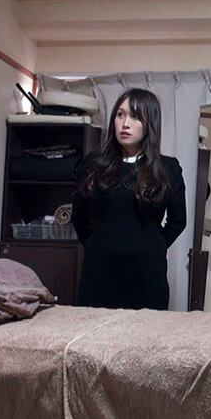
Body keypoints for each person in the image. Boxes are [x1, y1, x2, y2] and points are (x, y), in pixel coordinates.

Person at [72, 88, 186, 310]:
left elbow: (178, 221)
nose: (125, 124)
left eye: (135, 117)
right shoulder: (91, 165)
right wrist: (99, 245)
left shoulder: (167, 168)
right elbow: (79, 218)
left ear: (150, 123)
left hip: (147, 277)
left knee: (145, 331)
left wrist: (152, 245)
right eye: (120, 115)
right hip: (98, 274)